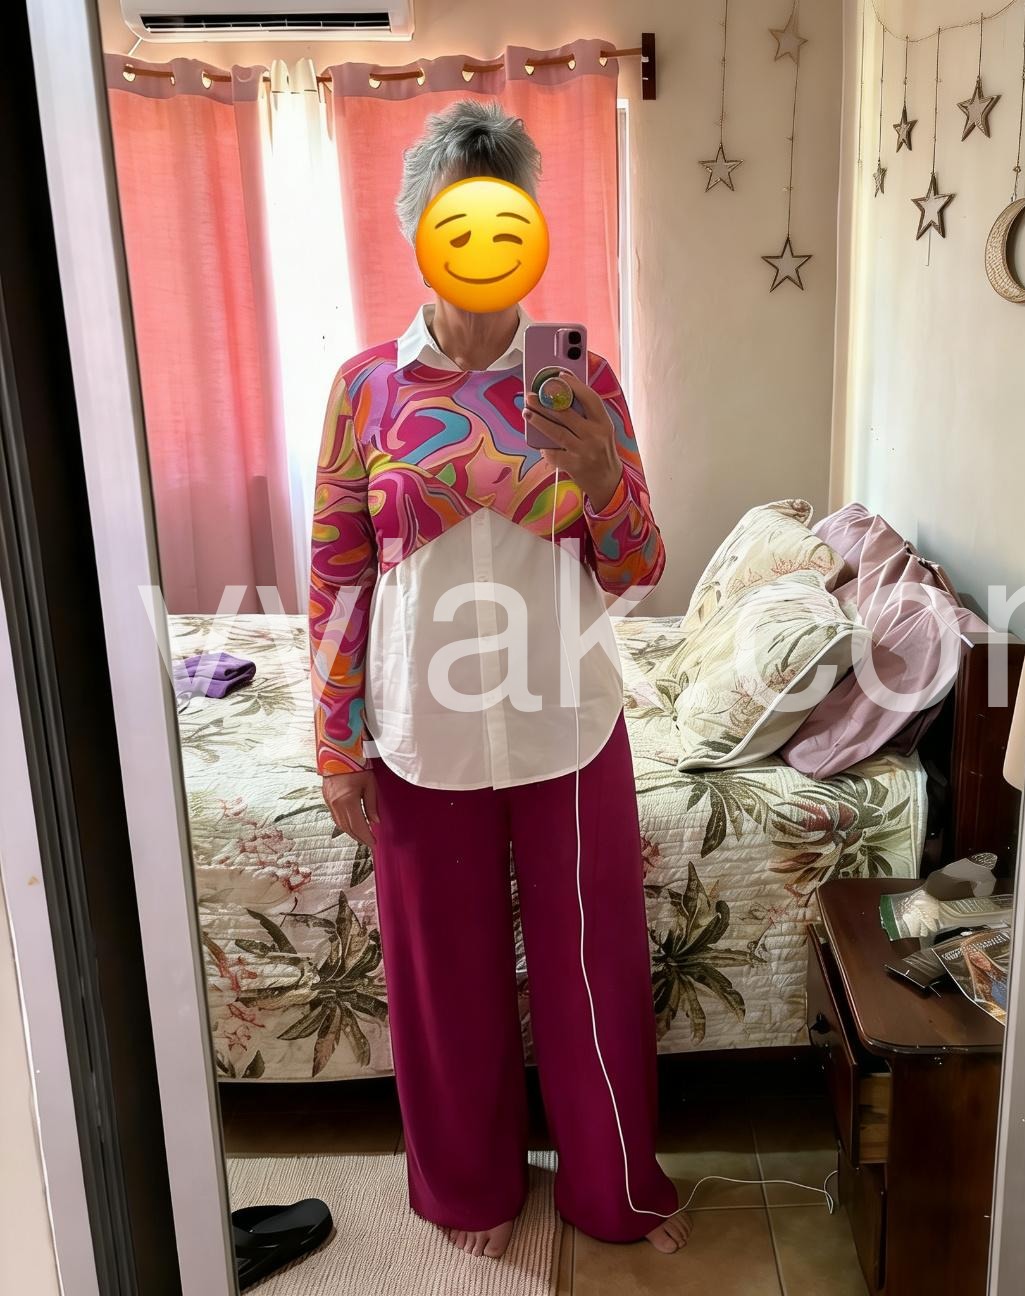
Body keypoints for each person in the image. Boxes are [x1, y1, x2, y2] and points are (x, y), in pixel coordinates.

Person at [308, 100, 689, 1259]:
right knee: (445, 983)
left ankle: (614, 1192)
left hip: (566, 718)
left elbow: (639, 566)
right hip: (420, 728)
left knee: (593, 977)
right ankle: (467, 1190)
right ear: (416, 229)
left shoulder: (582, 378)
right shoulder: (365, 388)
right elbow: (336, 573)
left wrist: (603, 475)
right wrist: (336, 742)